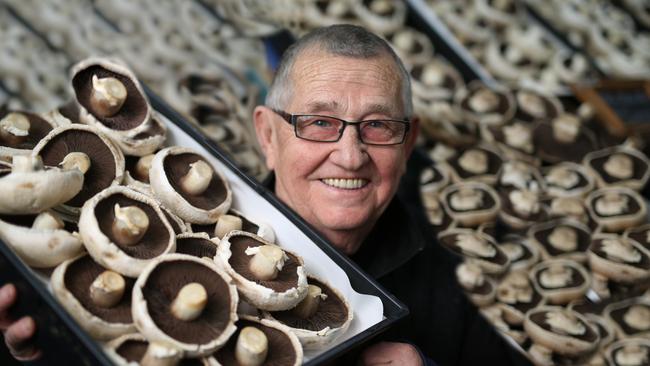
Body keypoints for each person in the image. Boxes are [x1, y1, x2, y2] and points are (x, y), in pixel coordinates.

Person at [1, 24, 530, 365]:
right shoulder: (193, 230)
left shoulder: (458, 285)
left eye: (378, 127)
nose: (350, 155)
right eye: (319, 122)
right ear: (267, 134)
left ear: (408, 142)